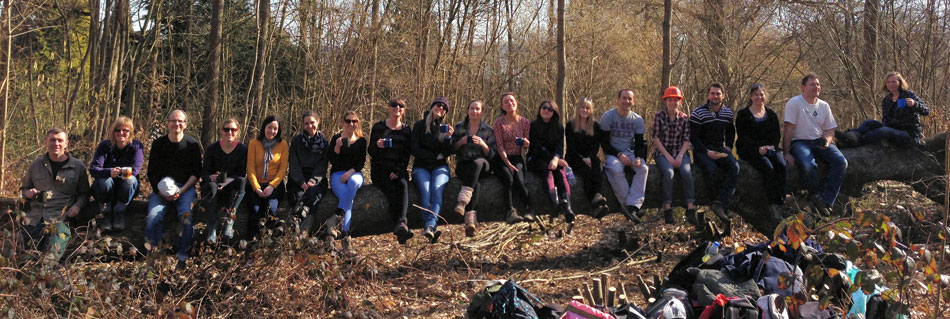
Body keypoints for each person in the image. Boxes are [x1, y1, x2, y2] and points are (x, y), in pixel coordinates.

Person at [20, 128, 90, 266]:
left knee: (47, 262)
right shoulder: (36, 165)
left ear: (66, 143)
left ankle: (48, 284)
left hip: (59, 220)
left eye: (60, 140)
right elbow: (23, 189)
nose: (56, 143)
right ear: (46, 142)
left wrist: (77, 206)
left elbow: (85, 193)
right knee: (27, 263)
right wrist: (28, 194)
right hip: (34, 219)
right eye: (52, 140)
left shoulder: (77, 167)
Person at [783, 73, 848, 216]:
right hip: (799, 142)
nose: (816, 87)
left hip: (818, 140)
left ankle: (826, 200)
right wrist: (786, 153)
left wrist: (827, 141)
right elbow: (788, 129)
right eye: (812, 84)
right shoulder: (794, 103)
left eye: (818, 84)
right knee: (809, 165)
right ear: (803, 88)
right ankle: (814, 194)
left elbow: (830, 129)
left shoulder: (824, 106)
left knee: (841, 162)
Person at [146, 110, 202, 270]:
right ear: (168, 123)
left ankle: (182, 257)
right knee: (152, 218)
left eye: (180, 121)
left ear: (185, 124)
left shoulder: (192, 145)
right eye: (173, 121)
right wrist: (162, 192)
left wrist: (182, 191)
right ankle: (154, 257)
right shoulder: (158, 144)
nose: (176, 124)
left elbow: (196, 173)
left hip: (185, 189)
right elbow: (152, 173)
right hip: (160, 190)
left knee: (186, 219)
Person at [689, 82, 739, 223]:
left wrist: (729, 146)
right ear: (708, 95)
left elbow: (730, 131)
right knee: (711, 170)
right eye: (712, 93)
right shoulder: (698, 113)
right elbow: (693, 137)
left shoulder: (727, 113)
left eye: (718, 93)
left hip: (719, 148)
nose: (715, 96)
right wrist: (706, 151)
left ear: (723, 95)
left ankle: (721, 202)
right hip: (701, 150)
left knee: (734, 167)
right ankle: (718, 203)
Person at [735, 84, 786, 220]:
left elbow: (776, 135)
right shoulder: (743, 115)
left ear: (765, 96)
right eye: (756, 94)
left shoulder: (771, 115)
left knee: (781, 165)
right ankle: (772, 204)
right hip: (750, 150)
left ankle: (781, 202)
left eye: (761, 94)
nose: (759, 97)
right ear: (751, 97)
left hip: (769, 149)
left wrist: (771, 146)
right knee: (768, 168)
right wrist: (757, 149)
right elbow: (743, 136)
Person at [841, 72, 930, 147]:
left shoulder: (908, 95)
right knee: (870, 122)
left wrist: (915, 104)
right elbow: (886, 120)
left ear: (899, 83)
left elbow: (926, 111)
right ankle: (850, 135)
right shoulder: (887, 100)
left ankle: (858, 141)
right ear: (885, 84)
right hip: (892, 129)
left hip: (909, 134)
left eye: (894, 82)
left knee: (884, 131)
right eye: (889, 82)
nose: (891, 84)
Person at [600, 89, 649, 223]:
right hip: (613, 153)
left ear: (633, 102)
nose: (626, 101)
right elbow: (604, 143)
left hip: (631, 152)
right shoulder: (608, 117)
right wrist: (619, 154)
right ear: (618, 99)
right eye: (624, 98)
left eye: (629, 99)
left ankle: (632, 206)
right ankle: (629, 206)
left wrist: (639, 157)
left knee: (644, 169)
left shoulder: (637, 120)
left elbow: (640, 143)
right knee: (616, 169)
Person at [369, 99, 414, 244]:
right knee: (391, 191)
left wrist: (398, 170)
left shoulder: (407, 130)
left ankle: (401, 223)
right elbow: (371, 151)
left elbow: (406, 154)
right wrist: (377, 145)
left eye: (401, 106)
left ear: (404, 110)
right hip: (380, 170)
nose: (397, 108)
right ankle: (401, 225)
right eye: (394, 105)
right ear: (389, 108)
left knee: (403, 185)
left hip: (398, 169)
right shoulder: (378, 127)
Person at [411, 97, 455, 243]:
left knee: (437, 190)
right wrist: (432, 155)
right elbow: (414, 148)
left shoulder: (444, 128)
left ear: (445, 113)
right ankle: (429, 225)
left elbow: (447, 152)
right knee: (426, 191)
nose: (440, 108)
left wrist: (448, 138)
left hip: (439, 167)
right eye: (438, 105)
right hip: (421, 166)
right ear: (432, 106)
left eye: (444, 108)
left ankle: (430, 225)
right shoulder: (420, 125)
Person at [88, 116, 143, 232]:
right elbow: (93, 169)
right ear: (112, 132)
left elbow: (135, 170)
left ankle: (119, 212)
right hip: (106, 188)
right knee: (105, 180)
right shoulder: (104, 146)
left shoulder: (136, 146)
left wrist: (118, 173)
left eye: (125, 130)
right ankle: (105, 214)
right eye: (117, 130)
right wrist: (109, 172)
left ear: (131, 132)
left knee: (130, 179)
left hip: (126, 188)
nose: (121, 133)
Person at [652, 87, 696, 224]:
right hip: (662, 153)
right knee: (669, 173)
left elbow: (687, 140)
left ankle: (690, 208)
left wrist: (680, 156)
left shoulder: (684, 118)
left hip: (680, 152)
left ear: (680, 102)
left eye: (675, 100)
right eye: (670, 100)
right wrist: (668, 157)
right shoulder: (659, 116)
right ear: (666, 101)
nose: (672, 103)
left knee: (686, 172)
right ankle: (667, 208)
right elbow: (656, 139)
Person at [452, 99, 495, 237]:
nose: (474, 111)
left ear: (482, 112)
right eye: (472, 108)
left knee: (477, 164)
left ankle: (462, 201)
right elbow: (452, 148)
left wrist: (483, 144)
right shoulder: (459, 127)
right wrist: (460, 142)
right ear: (467, 111)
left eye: (478, 109)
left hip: (483, 165)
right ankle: (470, 220)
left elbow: (492, 154)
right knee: (474, 180)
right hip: (464, 164)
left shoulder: (488, 130)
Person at [200, 118, 247, 244]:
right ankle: (211, 227)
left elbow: (241, 173)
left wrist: (225, 182)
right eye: (226, 129)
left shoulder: (243, 150)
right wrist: (211, 178)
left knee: (241, 181)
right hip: (212, 190)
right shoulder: (211, 149)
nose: (229, 132)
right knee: (211, 186)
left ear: (237, 132)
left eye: (233, 129)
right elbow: (204, 172)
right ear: (221, 131)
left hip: (231, 188)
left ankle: (229, 221)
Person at [325, 111, 367, 250]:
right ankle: (346, 236)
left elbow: (361, 163)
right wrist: (337, 147)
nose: (351, 124)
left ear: (358, 123)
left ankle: (336, 216)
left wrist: (349, 173)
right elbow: (332, 161)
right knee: (348, 198)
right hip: (337, 175)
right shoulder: (336, 138)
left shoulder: (361, 140)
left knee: (354, 183)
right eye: (348, 121)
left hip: (354, 174)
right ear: (343, 122)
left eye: (354, 121)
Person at [528, 100, 575, 224]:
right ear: (540, 109)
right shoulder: (532, 125)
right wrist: (553, 159)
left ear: (554, 112)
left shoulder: (559, 127)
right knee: (547, 170)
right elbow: (536, 147)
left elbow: (559, 147)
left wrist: (556, 159)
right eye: (544, 107)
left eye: (550, 109)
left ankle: (567, 207)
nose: (546, 110)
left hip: (554, 159)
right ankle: (555, 205)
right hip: (536, 159)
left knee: (560, 172)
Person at [493, 92, 537, 224]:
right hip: (501, 158)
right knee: (509, 179)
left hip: (517, 157)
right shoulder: (499, 123)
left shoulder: (524, 122)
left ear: (516, 103)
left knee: (519, 179)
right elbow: (499, 146)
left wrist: (526, 144)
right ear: (502, 106)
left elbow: (525, 147)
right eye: (506, 102)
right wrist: (508, 164)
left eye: (512, 101)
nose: (509, 103)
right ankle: (510, 211)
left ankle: (529, 209)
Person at [246, 115, 289, 239]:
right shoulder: (254, 143)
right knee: (255, 210)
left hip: (274, 185)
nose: (272, 131)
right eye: (269, 127)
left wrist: (272, 186)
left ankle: (270, 241)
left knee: (272, 209)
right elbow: (251, 168)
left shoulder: (283, 144)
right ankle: (252, 242)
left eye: (275, 129)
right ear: (264, 127)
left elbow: (282, 169)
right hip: (256, 185)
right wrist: (256, 187)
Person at [288, 111, 330, 235]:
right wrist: (301, 181)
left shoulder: (324, 143)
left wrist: (313, 180)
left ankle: (304, 232)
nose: (309, 126)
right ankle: (294, 226)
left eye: (312, 122)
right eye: (306, 123)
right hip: (298, 177)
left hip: (316, 177)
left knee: (313, 198)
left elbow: (323, 165)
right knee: (297, 197)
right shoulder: (296, 141)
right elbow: (293, 163)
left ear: (318, 122)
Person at [566, 98, 607, 218]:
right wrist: (582, 158)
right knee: (586, 171)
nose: (584, 110)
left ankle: (597, 195)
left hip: (590, 156)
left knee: (598, 166)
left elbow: (596, 145)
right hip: (574, 157)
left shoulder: (595, 126)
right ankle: (594, 202)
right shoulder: (571, 125)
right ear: (578, 109)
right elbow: (571, 146)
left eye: (587, 108)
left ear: (591, 110)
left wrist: (589, 157)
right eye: (582, 107)